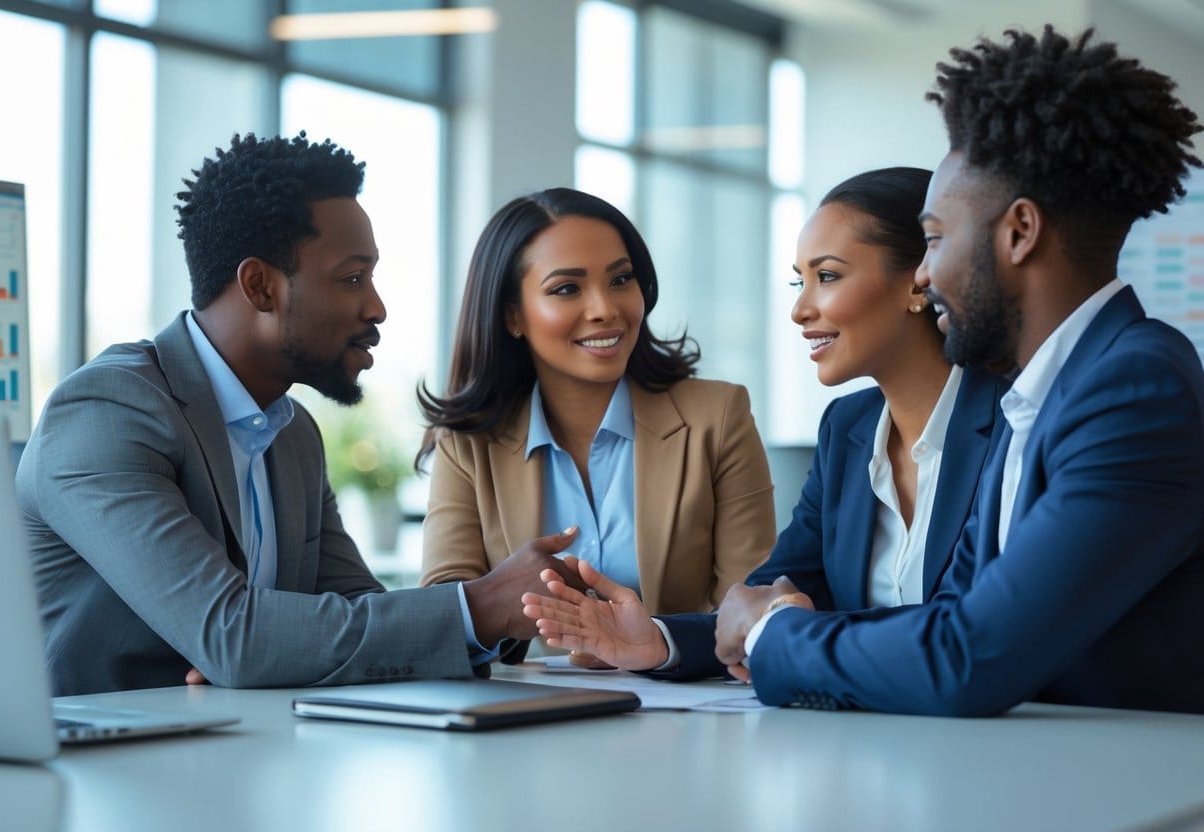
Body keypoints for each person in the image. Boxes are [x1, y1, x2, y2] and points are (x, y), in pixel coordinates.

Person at [528, 25, 1204, 715]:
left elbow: (966, 655)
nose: (928, 269)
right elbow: (937, 620)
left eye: (936, 238)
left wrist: (771, 631)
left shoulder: (1130, 389)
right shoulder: (1039, 398)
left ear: (1019, 232)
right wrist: (702, 637)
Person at [16, 132, 580, 696]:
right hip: (85, 769)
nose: (376, 306)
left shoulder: (292, 433)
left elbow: (356, 608)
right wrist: (479, 606)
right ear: (261, 286)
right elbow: (235, 638)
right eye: (352, 278)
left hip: (229, 752)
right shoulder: (107, 413)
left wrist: (502, 610)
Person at [520, 167, 1009, 679]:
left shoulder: (1014, 420)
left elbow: (963, 627)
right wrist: (658, 642)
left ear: (919, 279)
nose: (800, 309)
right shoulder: (848, 429)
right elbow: (764, 597)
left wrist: (782, 629)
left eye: (828, 276)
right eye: (801, 281)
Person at [417, 187, 776, 661]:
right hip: (523, 716)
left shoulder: (718, 418)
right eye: (567, 288)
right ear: (512, 315)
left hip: (687, 716)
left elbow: (751, 613)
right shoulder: (467, 444)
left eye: (621, 280)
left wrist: (652, 646)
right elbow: (444, 620)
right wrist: (509, 601)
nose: (605, 308)